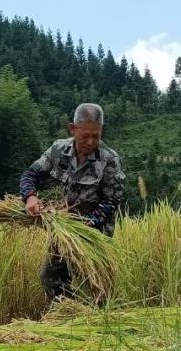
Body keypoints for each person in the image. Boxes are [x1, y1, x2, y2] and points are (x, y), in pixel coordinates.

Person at [19, 103, 125, 301]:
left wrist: (85, 224)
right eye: (85, 136)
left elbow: (112, 201)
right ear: (72, 129)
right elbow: (30, 174)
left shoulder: (110, 160)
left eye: (97, 135)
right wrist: (30, 197)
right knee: (50, 278)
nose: (91, 141)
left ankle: (94, 321)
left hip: (95, 234)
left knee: (96, 288)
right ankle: (68, 317)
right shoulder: (59, 150)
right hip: (64, 229)